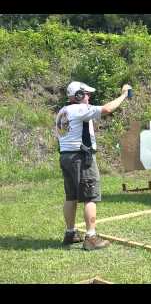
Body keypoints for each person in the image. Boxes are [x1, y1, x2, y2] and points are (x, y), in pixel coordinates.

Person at [55, 81, 131, 250]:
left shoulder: (62, 111)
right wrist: (124, 95)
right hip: (81, 157)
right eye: (86, 94)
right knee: (90, 196)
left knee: (71, 197)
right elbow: (106, 109)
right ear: (79, 96)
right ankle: (90, 237)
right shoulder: (79, 109)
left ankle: (70, 233)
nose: (89, 97)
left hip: (66, 156)